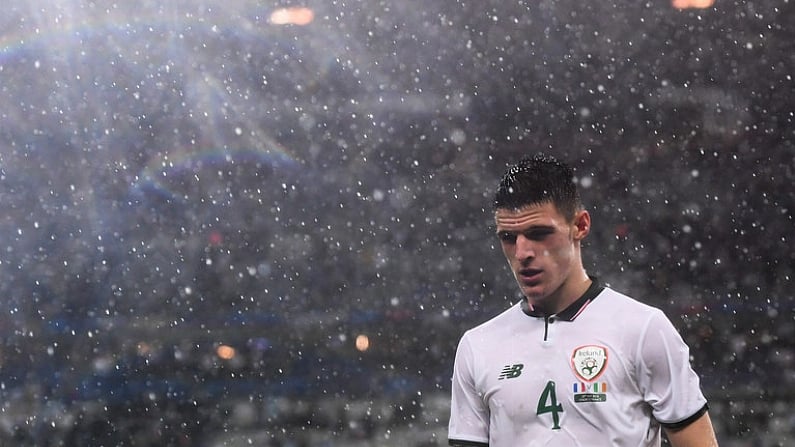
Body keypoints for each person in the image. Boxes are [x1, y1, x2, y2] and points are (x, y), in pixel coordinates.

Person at [448, 154, 718, 446]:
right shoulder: (478, 346)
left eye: (538, 233)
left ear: (580, 225)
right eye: (508, 237)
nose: (522, 252)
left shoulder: (643, 330)